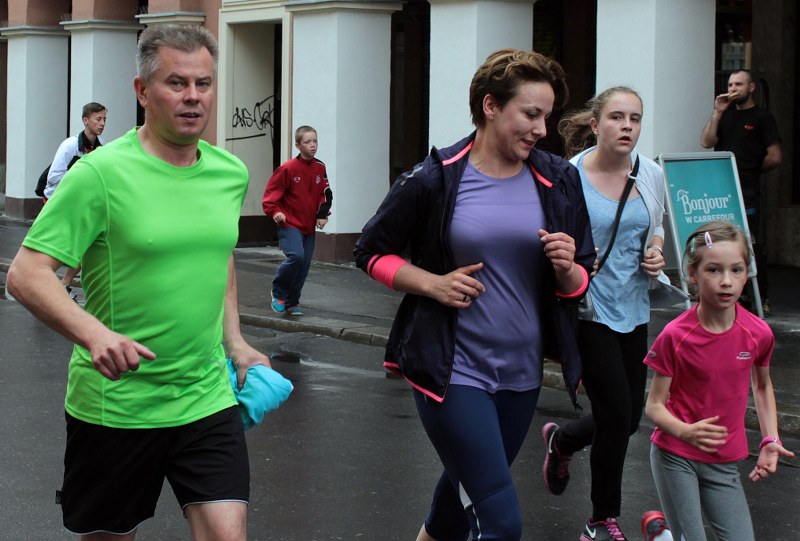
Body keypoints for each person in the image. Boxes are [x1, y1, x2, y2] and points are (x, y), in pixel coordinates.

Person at [7, 24, 269, 541]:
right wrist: (94, 335)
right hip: (117, 405)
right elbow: (26, 273)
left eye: (203, 83)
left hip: (204, 396)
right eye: (177, 83)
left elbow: (217, 256)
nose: (193, 96)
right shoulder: (99, 175)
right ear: (142, 91)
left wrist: (235, 341)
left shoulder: (230, 173)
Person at [354, 48, 595, 541]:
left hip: (522, 374)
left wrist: (567, 267)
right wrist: (432, 283)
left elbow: (578, 282)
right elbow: (370, 251)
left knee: (455, 506)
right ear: (491, 106)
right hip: (453, 371)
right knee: (501, 522)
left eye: (546, 117)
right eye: (530, 114)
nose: (541, 129)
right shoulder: (436, 177)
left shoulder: (559, 179)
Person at [541, 86, 668, 541]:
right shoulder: (570, 176)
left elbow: (656, 226)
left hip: (634, 308)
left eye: (635, 119)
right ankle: (601, 520)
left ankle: (564, 440)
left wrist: (656, 252)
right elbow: (550, 236)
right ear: (596, 125)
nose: (627, 126)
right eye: (617, 117)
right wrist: (572, 260)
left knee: (629, 418)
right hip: (588, 309)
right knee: (615, 413)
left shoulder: (650, 173)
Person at [644, 221, 794, 541]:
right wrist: (685, 431)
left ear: (746, 273)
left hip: (723, 461)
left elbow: (762, 386)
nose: (726, 281)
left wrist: (770, 439)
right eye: (713, 270)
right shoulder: (675, 335)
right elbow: (654, 406)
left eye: (736, 270)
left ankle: (661, 536)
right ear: (693, 274)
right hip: (675, 454)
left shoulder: (758, 333)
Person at [700, 69, 782, 315]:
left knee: (749, 242)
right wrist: (717, 112)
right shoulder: (725, 116)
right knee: (722, 240)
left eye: (739, 84)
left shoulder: (762, 118)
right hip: (720, 190)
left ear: (751, 88)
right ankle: (732, 294)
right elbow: (706, 142)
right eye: (730, 84)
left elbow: (775, 157)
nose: (733, 89)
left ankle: (760, 296)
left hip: (746, 189)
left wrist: (751, 169)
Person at [262, 125, 333, 316]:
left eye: (315, 141)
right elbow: (270, 195)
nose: (313, 145)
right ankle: (278, 294)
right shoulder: (287, 168)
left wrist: (322, 215)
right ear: (298, 146)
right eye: (307, 142)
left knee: (304, 265)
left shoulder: (320, 167)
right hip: (290, 224)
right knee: (296, 257)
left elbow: (325, 193)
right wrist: (275, 212)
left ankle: (291, 302)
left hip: (308, 226)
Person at [42, 101, 108, 300]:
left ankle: (64, 284)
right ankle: (43, 283)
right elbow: (53, 177)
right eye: (98, 119)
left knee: (87, 244)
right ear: (85, 120)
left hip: (81, 202)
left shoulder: (101, 146)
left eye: (104, 119)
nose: (102, 123)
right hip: (56, 200)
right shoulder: (70, 145)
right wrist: (80, 180)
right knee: (60, 248)